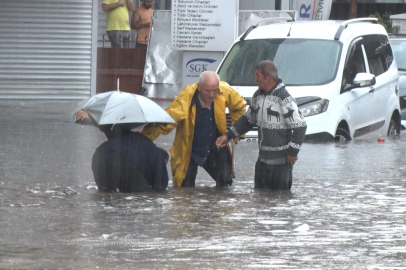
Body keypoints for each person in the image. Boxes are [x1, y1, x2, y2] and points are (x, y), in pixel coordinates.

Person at [141, 71, 247, 188]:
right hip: (190, 151)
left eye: (215, 90)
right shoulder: (186, 98)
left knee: (226, 185)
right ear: (199, 87)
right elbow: (165, 122)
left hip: (215, 148)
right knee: (185, 191)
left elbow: (240, 106)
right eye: (208, 91)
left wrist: (235, 132)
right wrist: (142, 140)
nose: (212, 94)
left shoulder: (224, 90)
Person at [216, 60, 307, 190]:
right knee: (260, 203)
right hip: (262, 163)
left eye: (257, 75)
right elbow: (248, 120)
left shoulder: (284, 98)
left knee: (280, 203)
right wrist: (229, 135)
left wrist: (292, 152)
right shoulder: (257, 96)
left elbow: (300, 126)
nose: (254, 78)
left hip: (281, 165)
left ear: (268, 78)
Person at [76, 110, 169, 192]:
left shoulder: (133, 139)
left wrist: (93, 118)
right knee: (140, 199)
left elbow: (112, 128)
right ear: (165, 160)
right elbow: (161, 186)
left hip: (100, 155)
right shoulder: (157, 157)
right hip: (126, 163)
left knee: (106, 197)